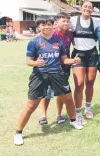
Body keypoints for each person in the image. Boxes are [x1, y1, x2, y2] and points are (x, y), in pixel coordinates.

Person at [13, 16, 83, 146]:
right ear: (38, 27)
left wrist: (73, 60)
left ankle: (73, 121)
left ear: (53, 25)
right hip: (40, 75)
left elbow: (64, 59)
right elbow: (28, 61)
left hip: (57, 73)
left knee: (68, 98)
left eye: (49, 24)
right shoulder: (34, 42)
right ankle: (18, 133)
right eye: (43, 25)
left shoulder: (59, 41)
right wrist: (36, 63)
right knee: (31, 106)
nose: (46, 27)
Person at [38, 12, 73, 125]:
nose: (66, 23)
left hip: (64, 66)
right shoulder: (52, 34)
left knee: (61, 92)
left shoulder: (69, 33)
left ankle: (59, 115)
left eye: (67, 21)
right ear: (56, 22)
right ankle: (43, 115)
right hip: (50, 67)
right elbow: (38, 40)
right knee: (47, 92)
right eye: (63, 21)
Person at [70, 0, 100, 125]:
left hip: (92, 54)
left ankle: (87, 108)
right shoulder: (72, 21)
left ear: (92, 10)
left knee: (90, 82)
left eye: (90, 7)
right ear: (81, 8)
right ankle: (78, 111)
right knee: (79, 84)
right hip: (78, 55)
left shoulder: (96, 22)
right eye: (85, 6)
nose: (87, 8)